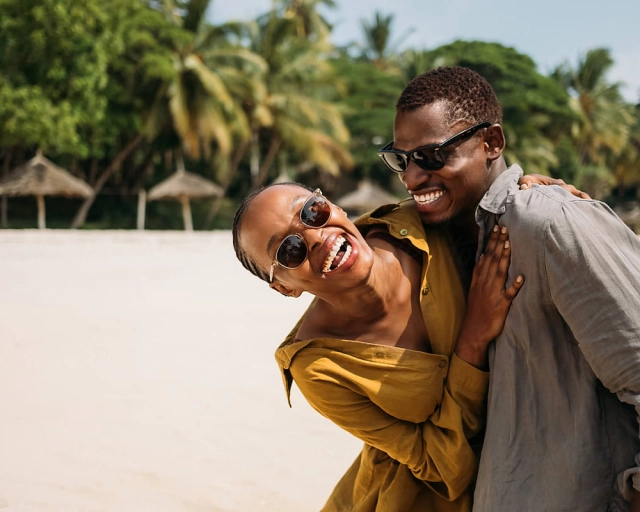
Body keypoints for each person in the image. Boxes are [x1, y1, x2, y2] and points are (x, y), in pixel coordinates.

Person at [378, 66, 640, 511]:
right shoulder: (457, 237)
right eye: (402, 159)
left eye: (432, 156)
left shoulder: (547, 222)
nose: (411, 177)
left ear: (492, 143)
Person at [233, 182, 524, 511]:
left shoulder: (414, 225)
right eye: (289, 250)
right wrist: (473, 341)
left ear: (334, 205)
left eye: (312, 212)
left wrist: (531, 194)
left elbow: (494, 197)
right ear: (284, 288)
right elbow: (440, 466)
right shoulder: (319, 367)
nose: (316, 237)